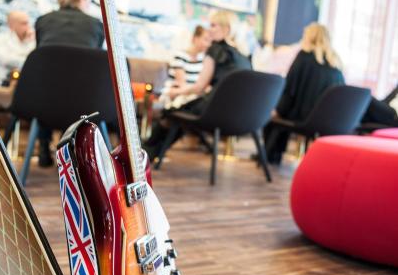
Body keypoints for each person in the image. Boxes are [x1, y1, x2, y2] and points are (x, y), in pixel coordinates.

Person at [144, 11, 252, 160]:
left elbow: (199, 87)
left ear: (226, 29)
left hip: (215, 110)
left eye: (213, 25)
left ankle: (146, 153)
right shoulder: (243, 56)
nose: (209, 29)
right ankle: (152, 153)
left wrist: (177, 93)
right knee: (181, 114)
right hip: (242, 115)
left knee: (173, 113)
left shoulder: (215, 50)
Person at [35, 0, 105, 166]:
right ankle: (77, 152)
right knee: (79, 83)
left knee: (48, 83)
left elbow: (41, 63)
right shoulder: (96, 25)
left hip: (44, 103)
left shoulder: (43, 21)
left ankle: (43, 145)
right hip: (85, 103)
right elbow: (94, 68)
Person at [264, 23, 345, 164]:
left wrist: (277, 111)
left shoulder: (304, 57)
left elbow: (290, 90)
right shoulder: (336, 62)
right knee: (283, 113)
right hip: (331, 121)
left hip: (304, 117)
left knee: (273, 117)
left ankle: (271, 156)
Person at [160, 25, 212, 109]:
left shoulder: (205, 60)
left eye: (210, 41)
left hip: (193, 95)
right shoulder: (180, 56)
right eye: (205, 40)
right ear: (195, 38)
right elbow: (181, 84)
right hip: (176, 94)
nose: (208, 44)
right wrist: (199, 89)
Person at [0, 11, 35, 86]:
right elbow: (7, 61)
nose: (28, 26)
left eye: (28, 23)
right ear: (12, 25)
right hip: (6, 82)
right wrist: (30, 60)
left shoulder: (31, 40)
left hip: (27, 80)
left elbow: (37, 60)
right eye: (24, 23)